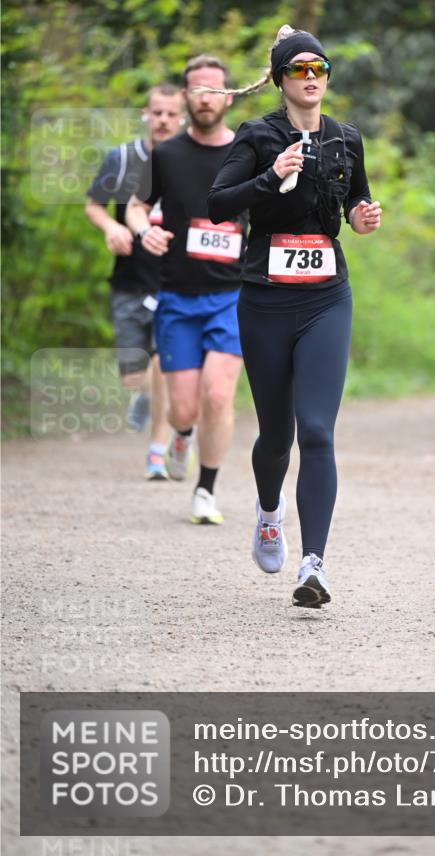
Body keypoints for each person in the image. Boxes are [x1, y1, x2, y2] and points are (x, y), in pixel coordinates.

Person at [208, 26, 382, 607]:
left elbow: (354, 199)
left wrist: (361, 218)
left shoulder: (347, 138)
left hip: (326, 296)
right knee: (277, 436)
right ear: (280, 79)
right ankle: (268, 512)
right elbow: (218, 203)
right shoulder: (258, 135)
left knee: (317, 431)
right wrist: (270, 175)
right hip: (265, 299)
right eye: (299, 69)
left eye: (319, 69)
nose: (311, 78)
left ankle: (314, 565)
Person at [125, 54, 247, 524]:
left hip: (232, 297)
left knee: (218, 395)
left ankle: (205, 490)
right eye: (197, 90)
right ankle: (181, 435)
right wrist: (144, 231)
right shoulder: (168, 154)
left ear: (228, 96)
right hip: (177, 297)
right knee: (183, 409)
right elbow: (136, 206)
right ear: (184, 97)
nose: (205, 98)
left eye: (214, 89)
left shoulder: (248, 153)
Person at [85, 84, 184, 480]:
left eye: (171, 114)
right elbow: (94, 205)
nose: (163, 120)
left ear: (182, 118)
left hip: (173, 282)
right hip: (129, 280)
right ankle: (143, 396)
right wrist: (112, 227)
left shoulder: (190, 159)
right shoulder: (123, 159)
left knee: (163, 365)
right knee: (134, 377)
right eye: (157, 113)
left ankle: (156, 453)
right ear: (146, 113)